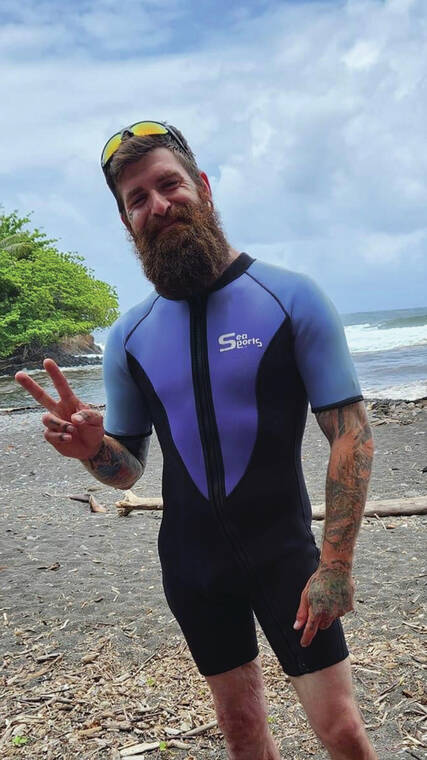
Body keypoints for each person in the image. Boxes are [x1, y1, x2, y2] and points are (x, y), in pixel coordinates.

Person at [16, 121, 377, 759]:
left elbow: (351, 434)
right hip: (192, 564)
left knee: (340, 729)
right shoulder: (130, 337)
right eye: (137, 198)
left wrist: (336, 566)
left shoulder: (290, 298)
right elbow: (128, 471)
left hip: (285, 555)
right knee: (240, 729)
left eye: (169, 185)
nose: (157, 205)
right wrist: (92, 449)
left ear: (202, 187)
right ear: (126, 221)